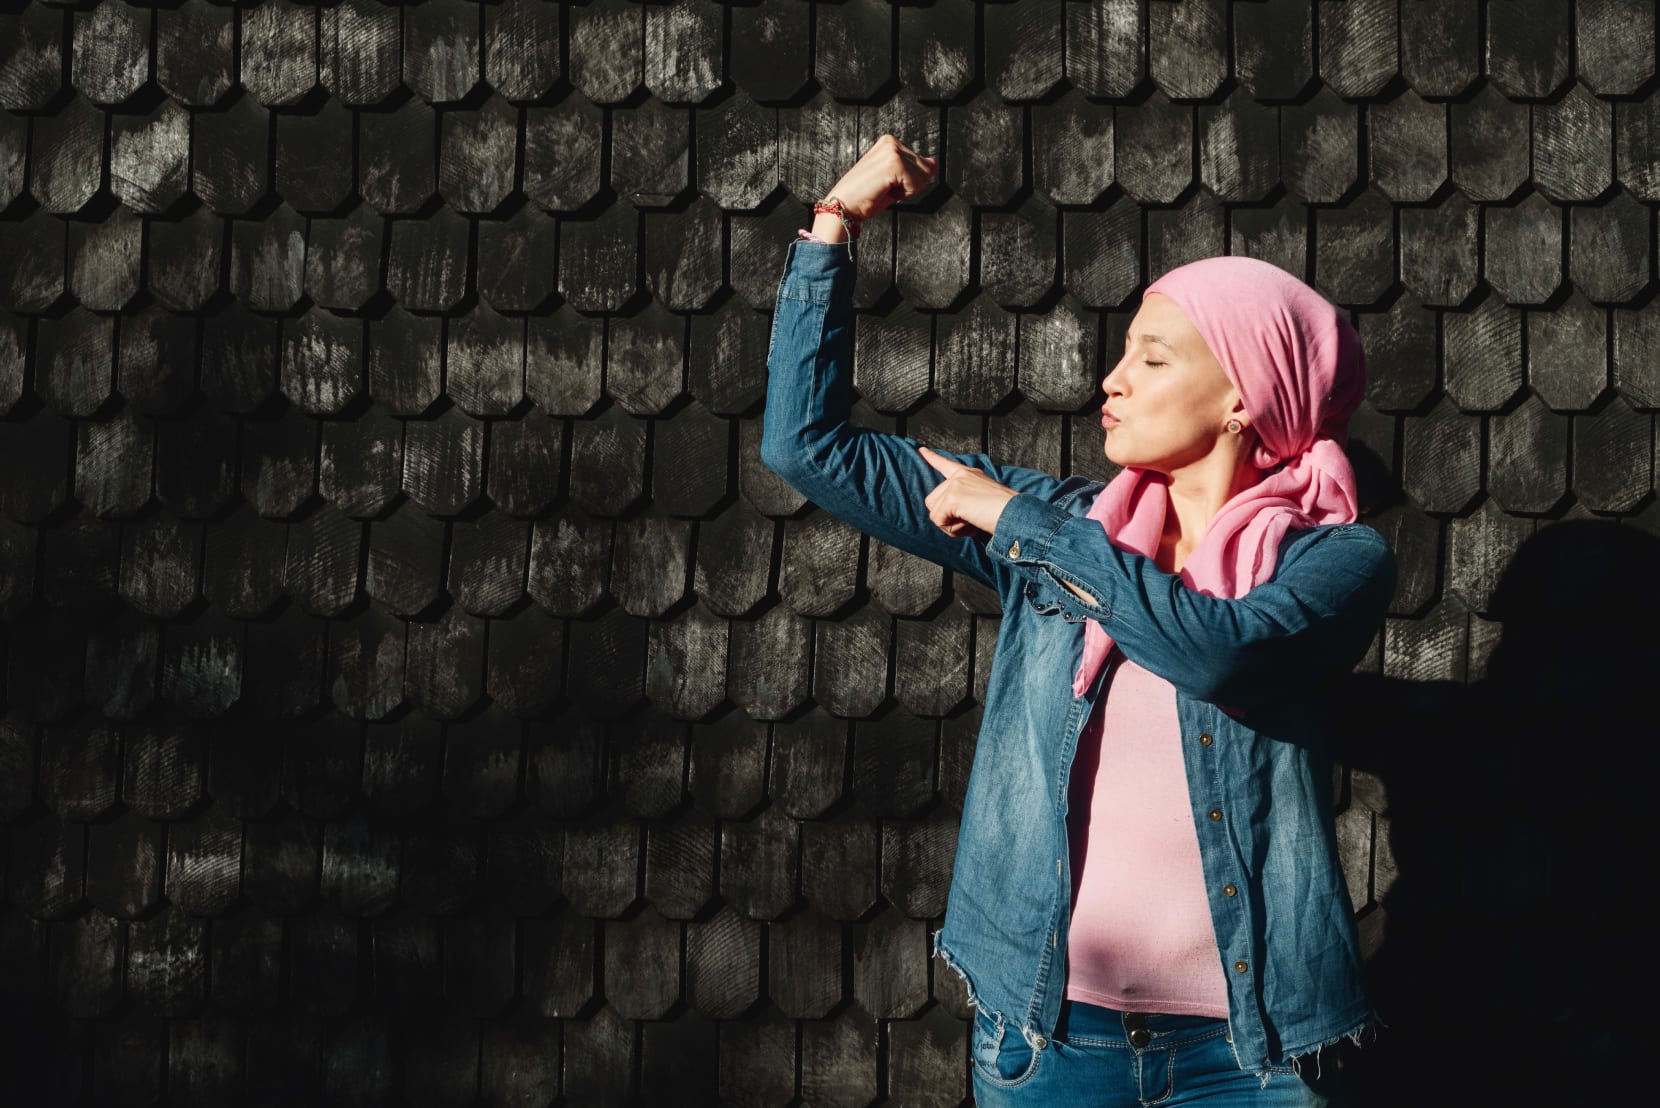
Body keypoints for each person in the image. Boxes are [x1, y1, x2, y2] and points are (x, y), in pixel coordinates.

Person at [761, 136, 1398, 1106]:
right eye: (1121, 353)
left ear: (1243, 397)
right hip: (1047, 1040)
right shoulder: (1069, 524)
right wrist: (834, 222)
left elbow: (1215, 652)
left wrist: (1019, 524)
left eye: (1151, 357)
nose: (1112, 379)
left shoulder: (1333, 560)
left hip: (1254, 1057)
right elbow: (806, 448)